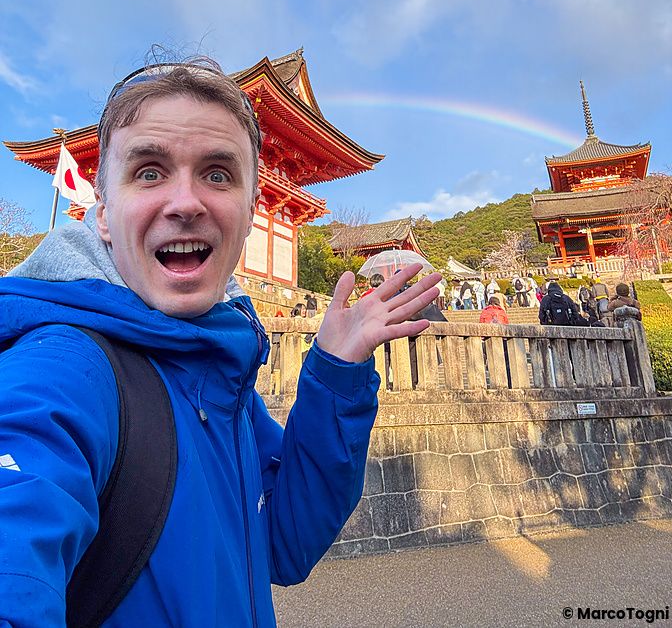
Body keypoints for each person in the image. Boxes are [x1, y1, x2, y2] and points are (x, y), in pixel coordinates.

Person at [0, 56, 441, 626]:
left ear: (252, 211)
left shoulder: (215, 375)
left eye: (217, 173)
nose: (186, 202)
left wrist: (334, 371)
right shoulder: (64, 368)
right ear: (102, 215)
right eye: (150, 171)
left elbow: (282, 542)